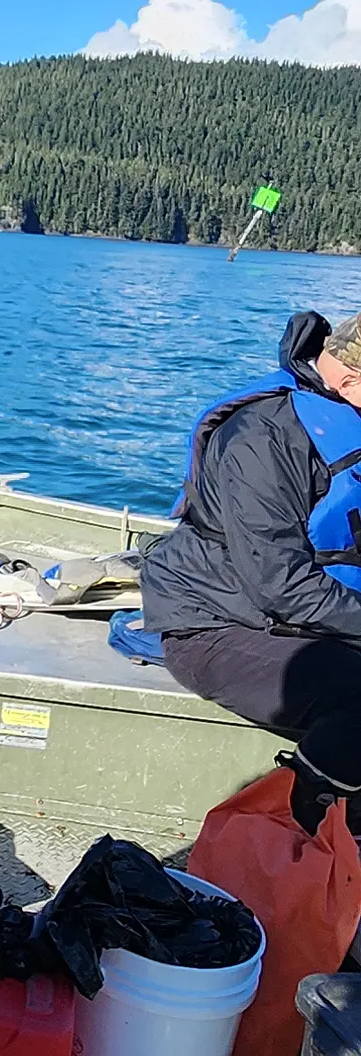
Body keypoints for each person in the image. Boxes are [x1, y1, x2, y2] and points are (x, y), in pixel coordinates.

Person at [143, 309, 361, 836]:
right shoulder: (263, 438)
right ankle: (297, 824)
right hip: (219, 626)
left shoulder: (343, 413)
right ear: (351, 381)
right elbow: (281, 584)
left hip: (307, 616)